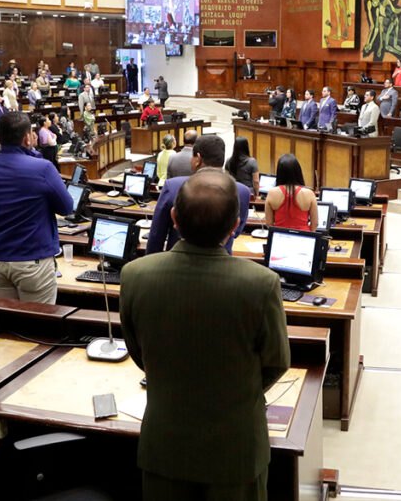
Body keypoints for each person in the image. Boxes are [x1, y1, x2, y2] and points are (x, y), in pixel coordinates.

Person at [119, 169, 290, 501]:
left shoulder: (135, 275)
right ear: (234, 226)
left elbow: (140, 353)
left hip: (165, 445)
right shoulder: (261, 283)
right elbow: (276, 363)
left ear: (173, 218)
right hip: (235, 449)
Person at [0, 112, 73, 303]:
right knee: (38, 326)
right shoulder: (43, 168)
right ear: (27, 138)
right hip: (33, 262)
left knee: (7, 326)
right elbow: (67, 208)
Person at [146, 135, 251, 255]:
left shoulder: (173, 186)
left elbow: (156, 235)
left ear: (198, 158)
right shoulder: (242, 192)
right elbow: (235, 233)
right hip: (222, 266)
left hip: (178, 263)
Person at [264, 153, 318, 230]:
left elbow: (269, 223)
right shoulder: (309, 193)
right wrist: (310, 237)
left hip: (279, 237)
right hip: (304, 238)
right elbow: (315, 223)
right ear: (298, 171)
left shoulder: (272, 193)